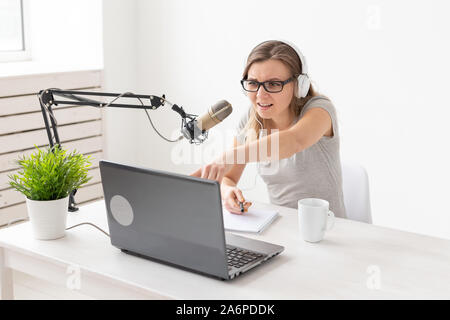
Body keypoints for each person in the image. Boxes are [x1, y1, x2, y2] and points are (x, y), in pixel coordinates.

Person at [191, 40, 346, 218]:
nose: (260, 95)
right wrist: (227, 192)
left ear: (298, 85)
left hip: (328, 230)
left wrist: (229, 156)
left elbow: (293, 141)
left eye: (273, 84)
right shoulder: (252, 119)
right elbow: (229, 178)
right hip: (282, 226)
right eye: (253, 83)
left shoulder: (321, 109)